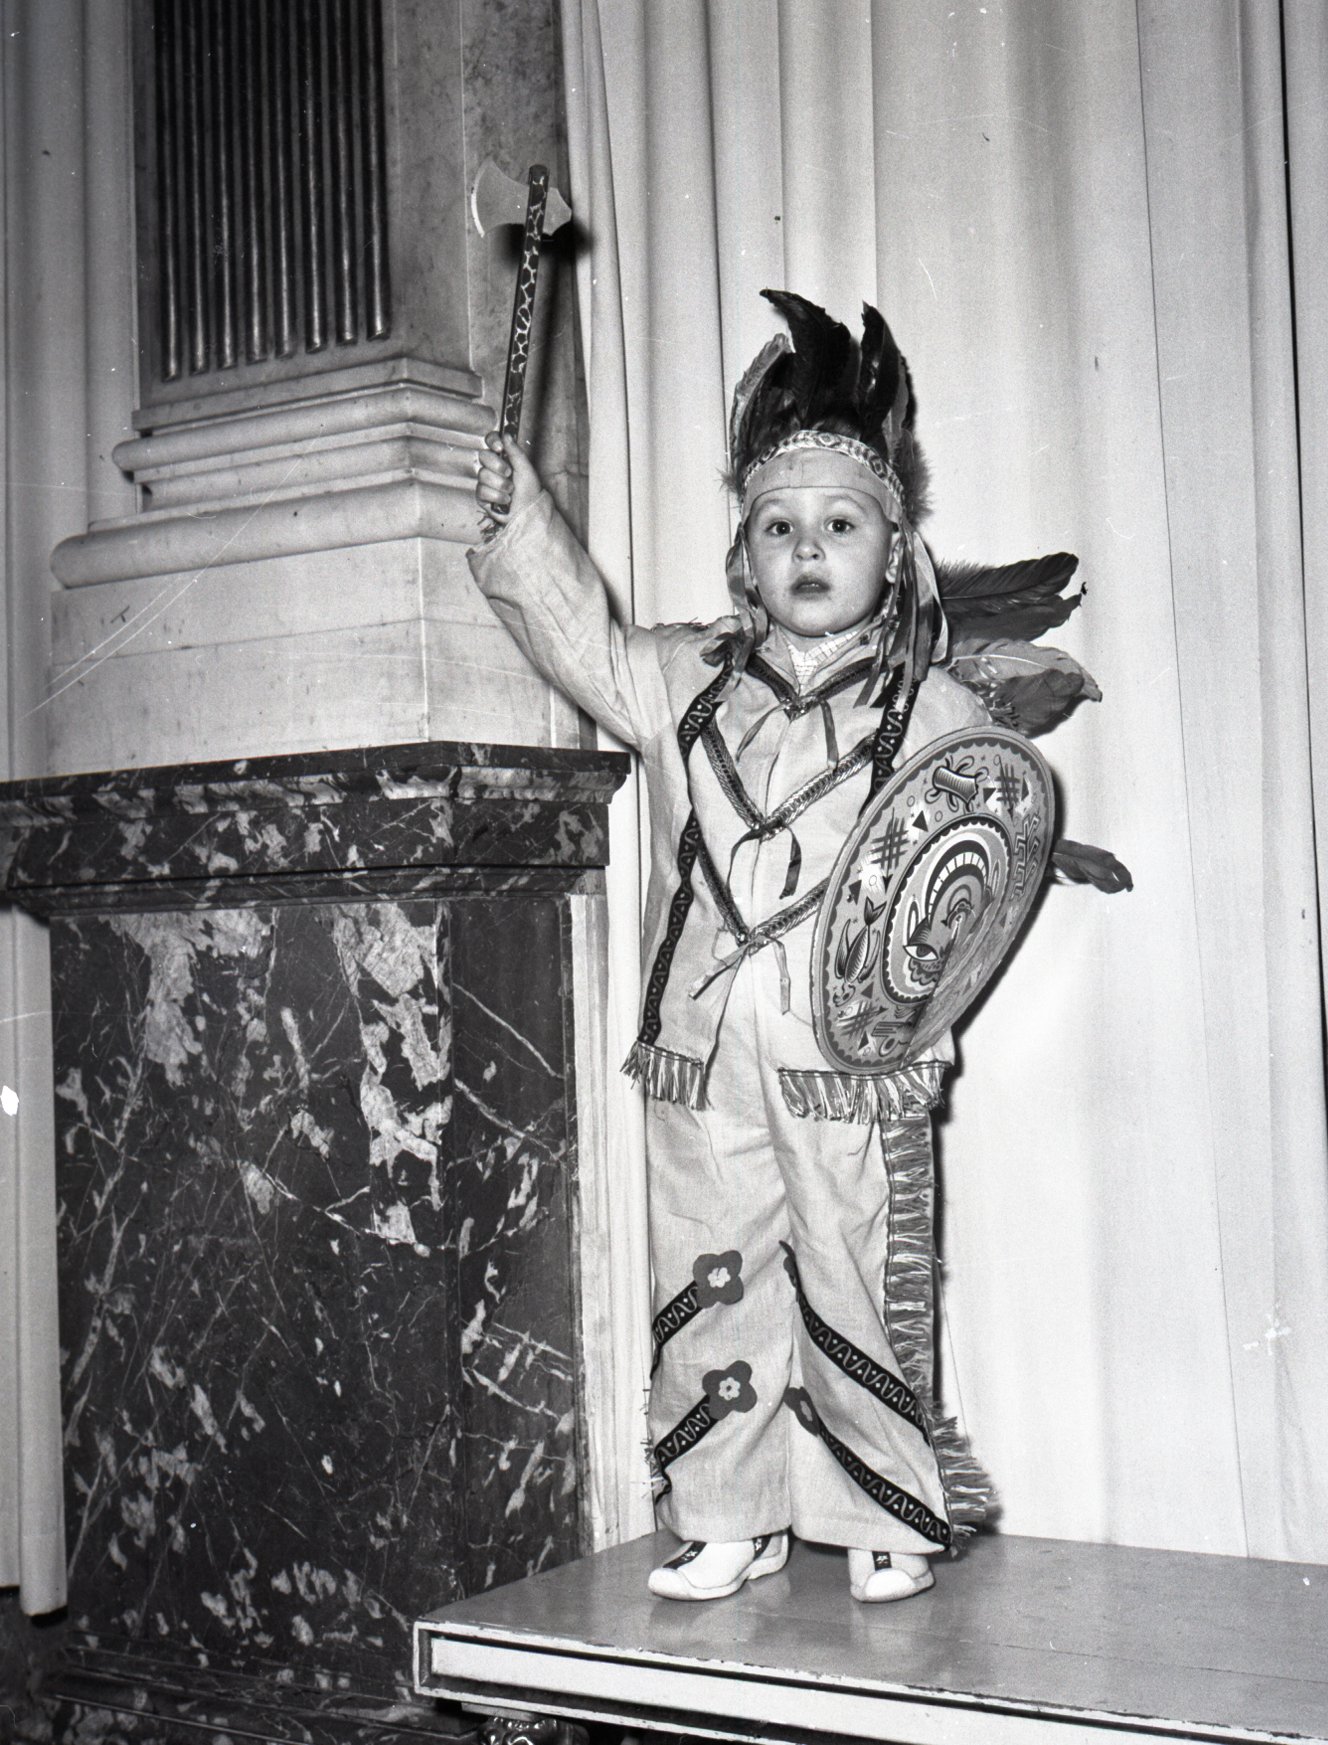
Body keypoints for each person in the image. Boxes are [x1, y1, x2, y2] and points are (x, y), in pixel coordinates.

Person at [471, 292, 991, 1605]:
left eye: (841, 523)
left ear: (897, 552)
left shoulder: (933, 709)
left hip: (844, 1064)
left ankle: (883, 1513)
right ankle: (724, 1512)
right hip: (701, 1057)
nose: (807, 546)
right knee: (712, 1276)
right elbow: (579, 641)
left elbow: (966, 888)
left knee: (851, 1274)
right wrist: (520, 520)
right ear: (742, 556)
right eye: (778, 525)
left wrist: (913, 1034)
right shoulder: (681, 679)